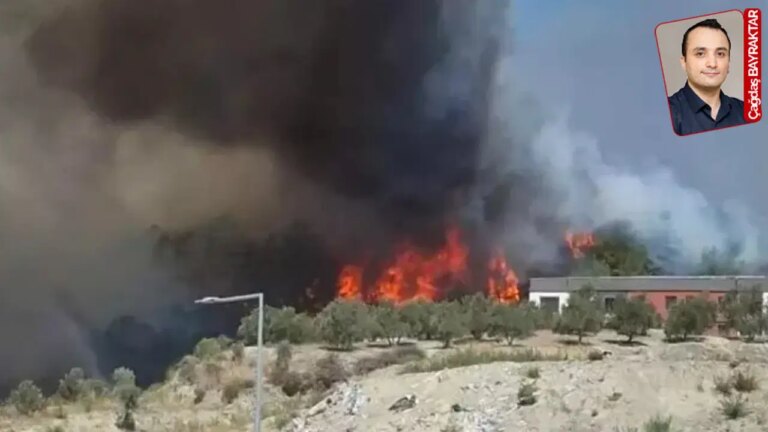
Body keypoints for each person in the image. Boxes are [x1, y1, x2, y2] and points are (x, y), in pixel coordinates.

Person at [667, 18, 746, 135]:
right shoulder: (667, 113)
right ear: (684, 62)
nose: (712, 64)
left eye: (720, 54)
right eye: (700, 53)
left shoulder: (746, 112)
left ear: (729, 63)